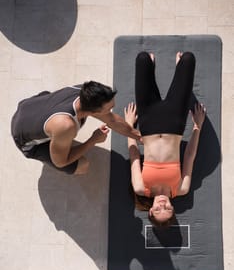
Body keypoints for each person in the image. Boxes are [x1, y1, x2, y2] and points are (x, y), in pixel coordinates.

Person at [124, 51, 206, 227]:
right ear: (173, 209)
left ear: (151, 210)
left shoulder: (141, 188)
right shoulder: (181, 189)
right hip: (174, 121)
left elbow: (134, 157)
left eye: (159, 210)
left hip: (148, 121)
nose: (163, 205)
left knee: (143, 58)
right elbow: (189, 156)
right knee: (188, 58)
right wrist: (197, 127)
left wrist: (129, 126)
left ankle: (151, 67)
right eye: (168, 209)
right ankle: (179, 69)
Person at [11, 81, 141, 175]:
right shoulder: (66, 126)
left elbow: (112, 120)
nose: (111, 111)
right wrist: (93, 140)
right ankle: (54, 143)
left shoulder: (83, 91)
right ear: (94, 112)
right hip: (24, 140)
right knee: (83, 166)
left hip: (28, 108)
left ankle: (58, 141)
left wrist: (140, 137)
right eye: (109, 109)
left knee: (62, 138)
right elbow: (61, 162)